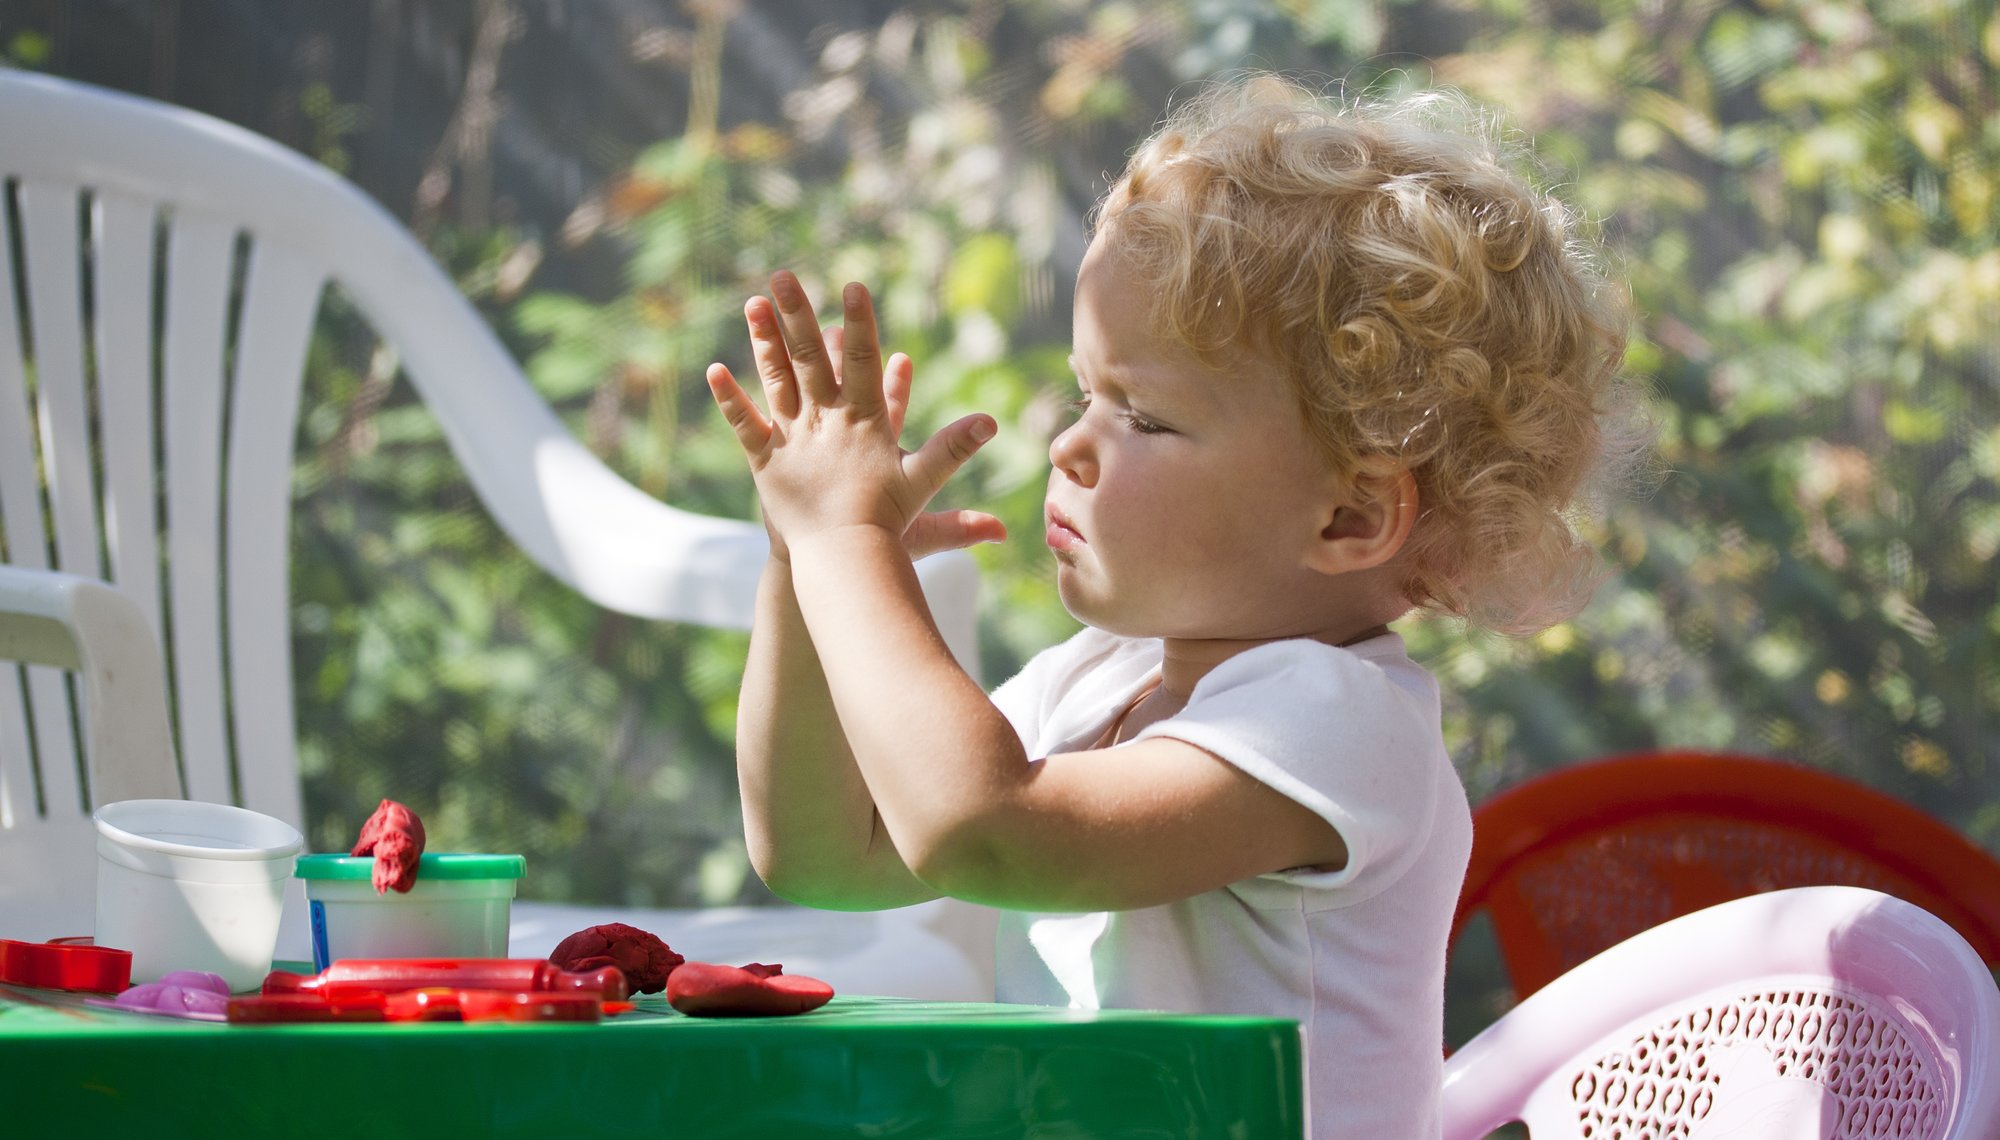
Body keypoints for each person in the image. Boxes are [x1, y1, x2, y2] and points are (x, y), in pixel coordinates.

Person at [705, 72, 1649, 1139]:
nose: (1067, 445)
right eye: (1083, 394)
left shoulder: (1338, 723)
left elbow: (979, 828)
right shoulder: (1097, 677)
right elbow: (827, 857)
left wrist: (851, 546)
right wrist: (803, 567)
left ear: (1347, 516)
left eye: (1142, 417)